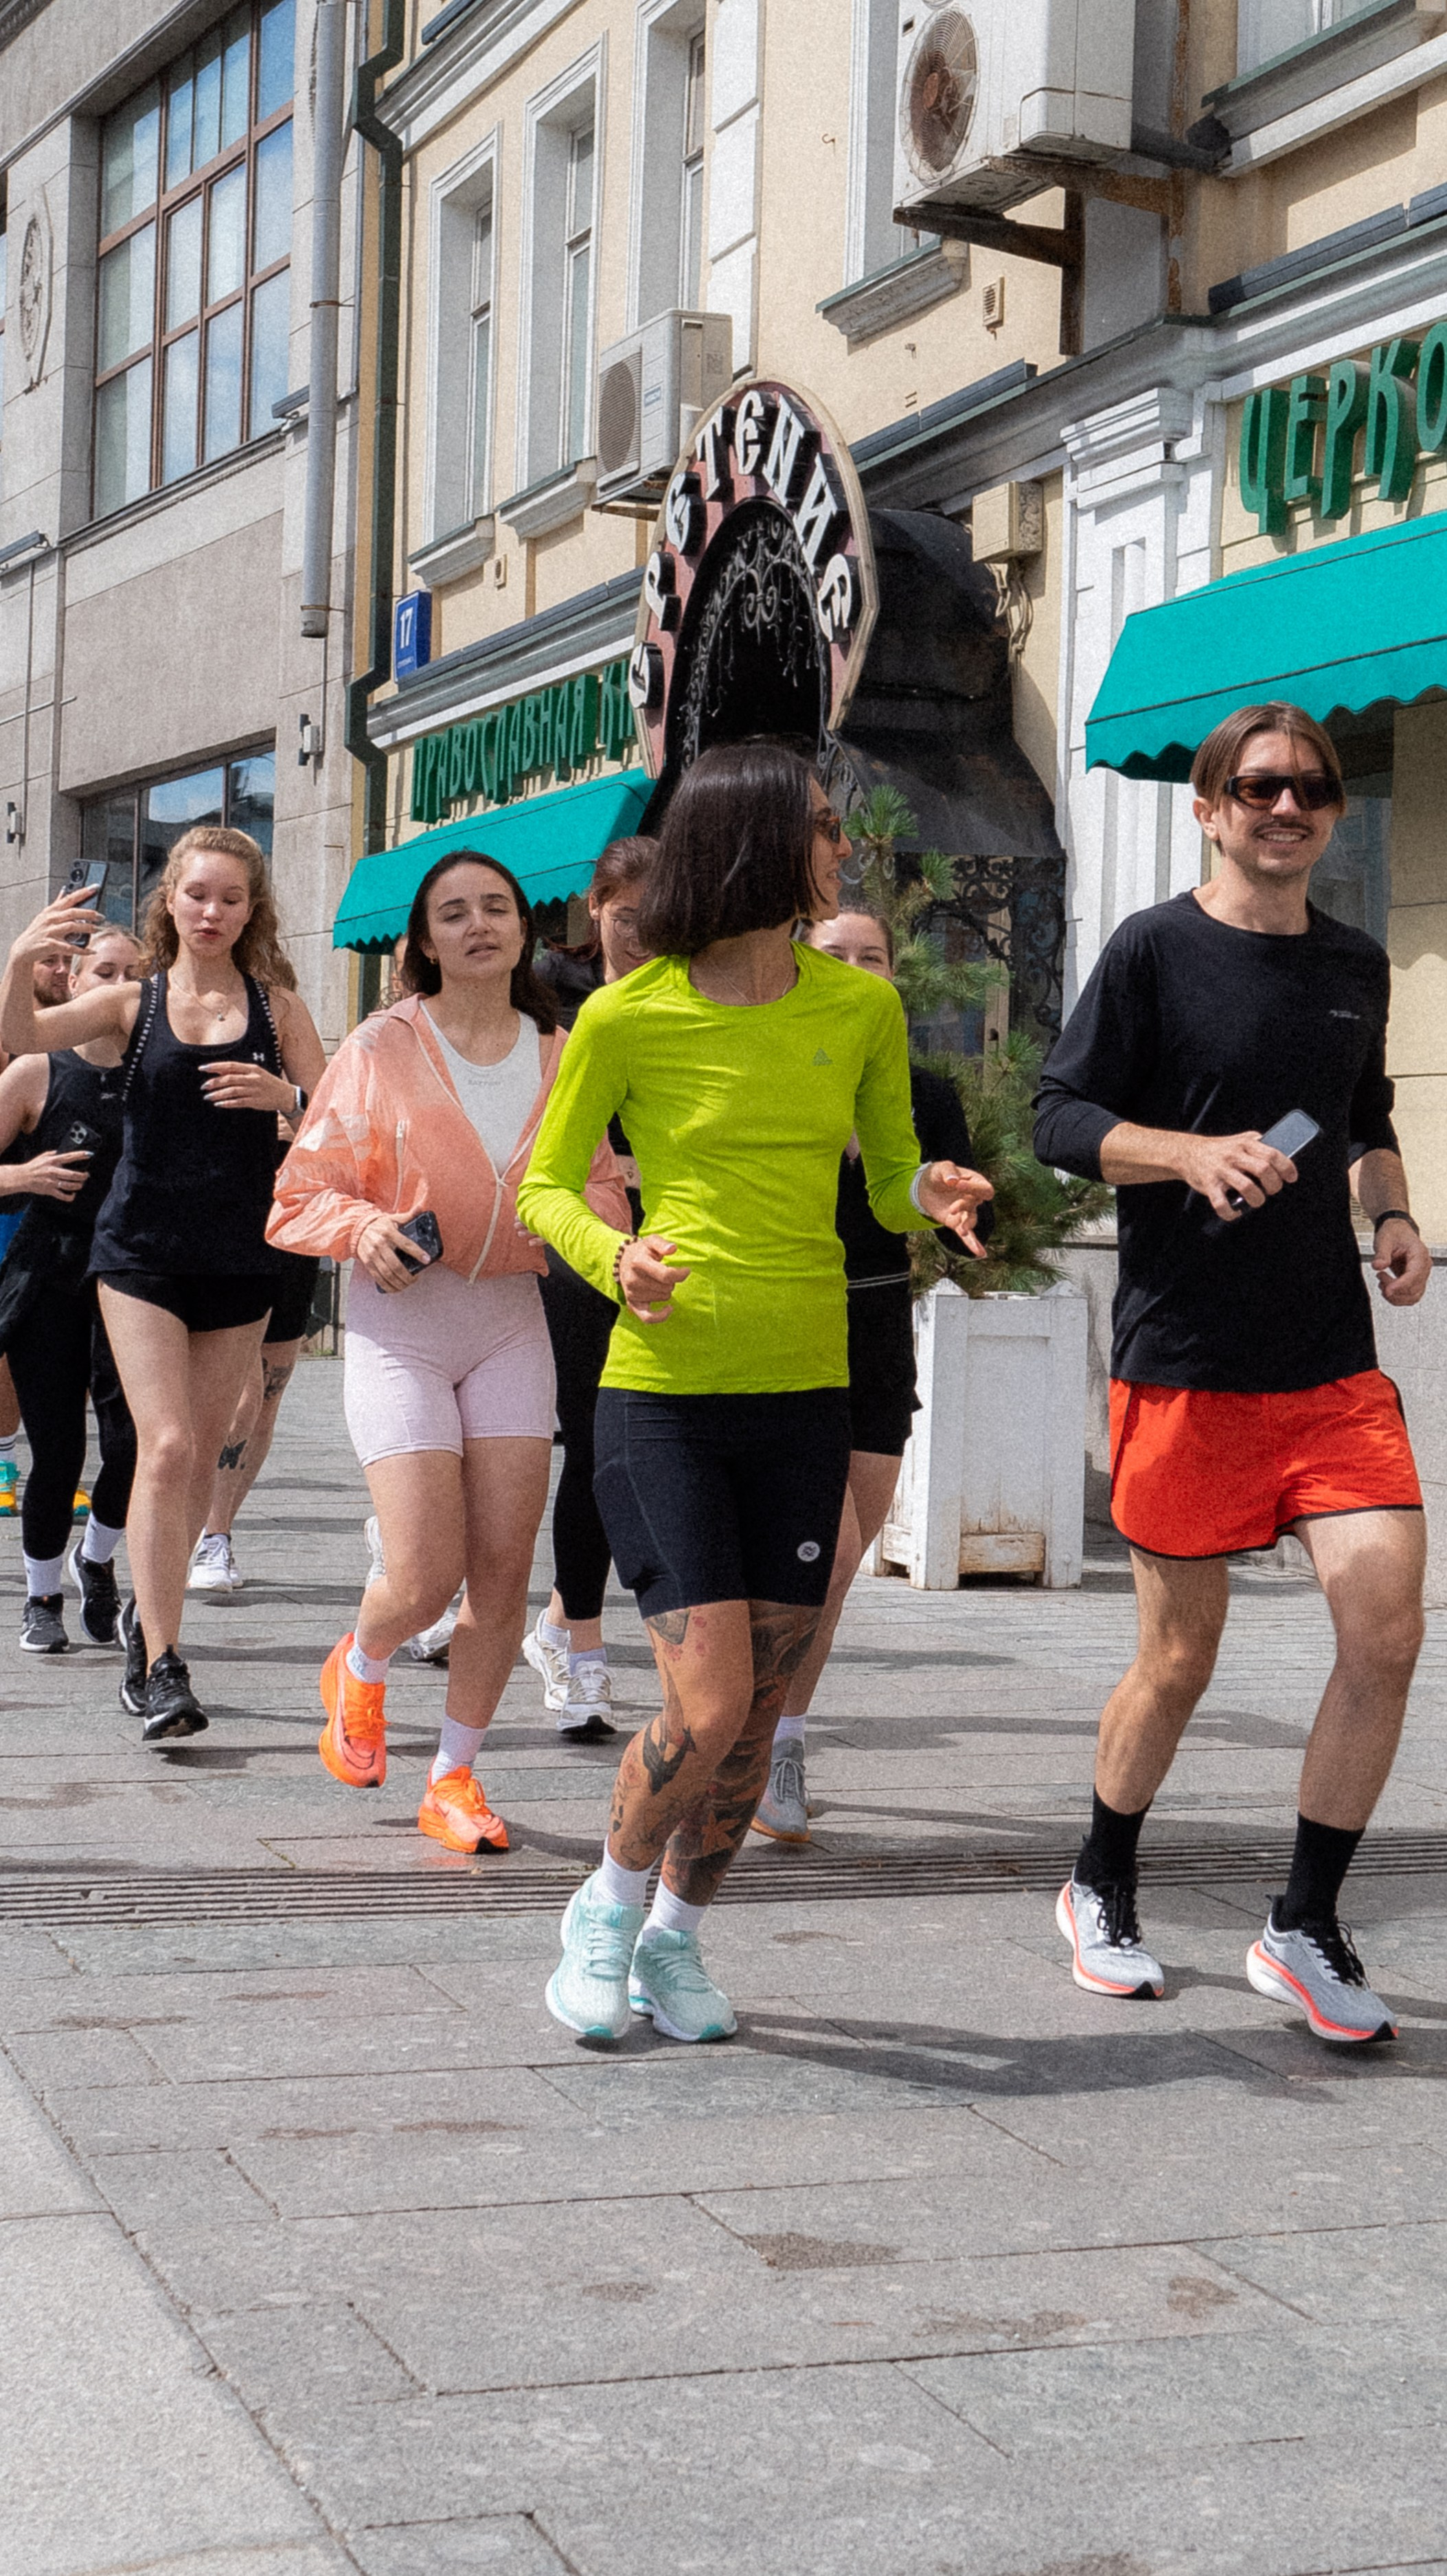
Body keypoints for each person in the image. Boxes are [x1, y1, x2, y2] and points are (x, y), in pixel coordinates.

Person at [518, 741, 992, 2047]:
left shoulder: (859, 1012)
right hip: (661, 1395)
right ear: (754, 843)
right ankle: (604, 1912)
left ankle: (674, 1940)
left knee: (761, 1711)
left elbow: (890, 1173)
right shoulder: (629, 1014)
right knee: (712, 1699)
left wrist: (929, 1193)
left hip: (805, 1395)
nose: (845, 848)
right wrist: (618, 1258)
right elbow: (544, 1188)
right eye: (825, 827)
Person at [1035, 701, 1431, 2046]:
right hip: (1188, 1361)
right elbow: (1060, 1118)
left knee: (1384, 1632)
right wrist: (1187, 1154)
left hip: (1327, 1361)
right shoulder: (1154, 951)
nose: (1289, 806)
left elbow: (1358, 1116)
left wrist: (1388, 1212)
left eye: (1313, 788)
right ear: (1210, 806)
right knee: (1180, 1658)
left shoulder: (1352, 964)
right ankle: (1099, 1879)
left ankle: (1304, 1925)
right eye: (1260, 786)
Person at [269, 850, 630, 1854]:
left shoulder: (563, 1050)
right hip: (405, 1328)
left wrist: (603, 1239)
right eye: (453, 912)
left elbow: (599, 1187)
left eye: (497, 908)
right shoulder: (385, 1043)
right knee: (426, 1574)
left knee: (504, 1577)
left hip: (513, 1317)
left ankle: (453, 1776)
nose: (479, 924)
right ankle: (362, 1656)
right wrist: (361, 1227)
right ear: (424, 939)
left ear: (523, 928)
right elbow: (303, 1189)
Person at [0, 828, 326, 1741]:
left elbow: (340, 1116)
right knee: (171, 1441)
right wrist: (23, 959)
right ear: (169, 904)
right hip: (138, 1249)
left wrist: (285, 1101)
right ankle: (160, 1665)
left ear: (252, 909)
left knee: (205, 1443)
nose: (212, 912)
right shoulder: (130, 1001)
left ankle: (151, 1609)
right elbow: (22, 1036)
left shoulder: (278, 1005)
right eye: (197, 896)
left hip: (238, 1254)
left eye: (230, 898)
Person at [750, 901, 994, 1842]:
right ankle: (747, 1724)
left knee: (833, 1569)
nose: (856, 968)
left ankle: (781, 1733)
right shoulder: (767, 1070)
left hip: (877, 1326)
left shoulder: (925, 1092)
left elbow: (972, 1227)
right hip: (782, 1321)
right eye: (835, 954)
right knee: (831, 1548)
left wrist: (961, 1210)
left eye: (873, 956)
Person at [525, 835, 657, 1737]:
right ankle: (574, 1643)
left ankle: (564, 1628)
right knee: (582, 1433)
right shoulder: (543, 988)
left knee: (616, 1444)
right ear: (594, 903)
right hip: (570, 1236)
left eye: (662, 909)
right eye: (625, 907)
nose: (642, 926)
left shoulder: (694, 993)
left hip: (669, 1240)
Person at [0, 925, 143, 1650]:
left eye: (133, 973)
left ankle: (97, 1561)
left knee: (133, 1445)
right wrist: (20, 1178)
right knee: (58, 1451)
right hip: (49, 1272)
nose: (119, 984)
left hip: (135, 1276)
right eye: (104, 971)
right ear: (75, 983)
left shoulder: (157, 1071)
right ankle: (41, 1595)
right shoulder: (37, 1070)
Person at [0, 942, 87, 1521]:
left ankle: (43, 1465)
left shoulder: (86, 1039)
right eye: (48, 959)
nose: (60, 971)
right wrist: (20, 1176)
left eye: (69, 963)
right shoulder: (14, 1046)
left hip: (63, 1227)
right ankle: (5, 1459)